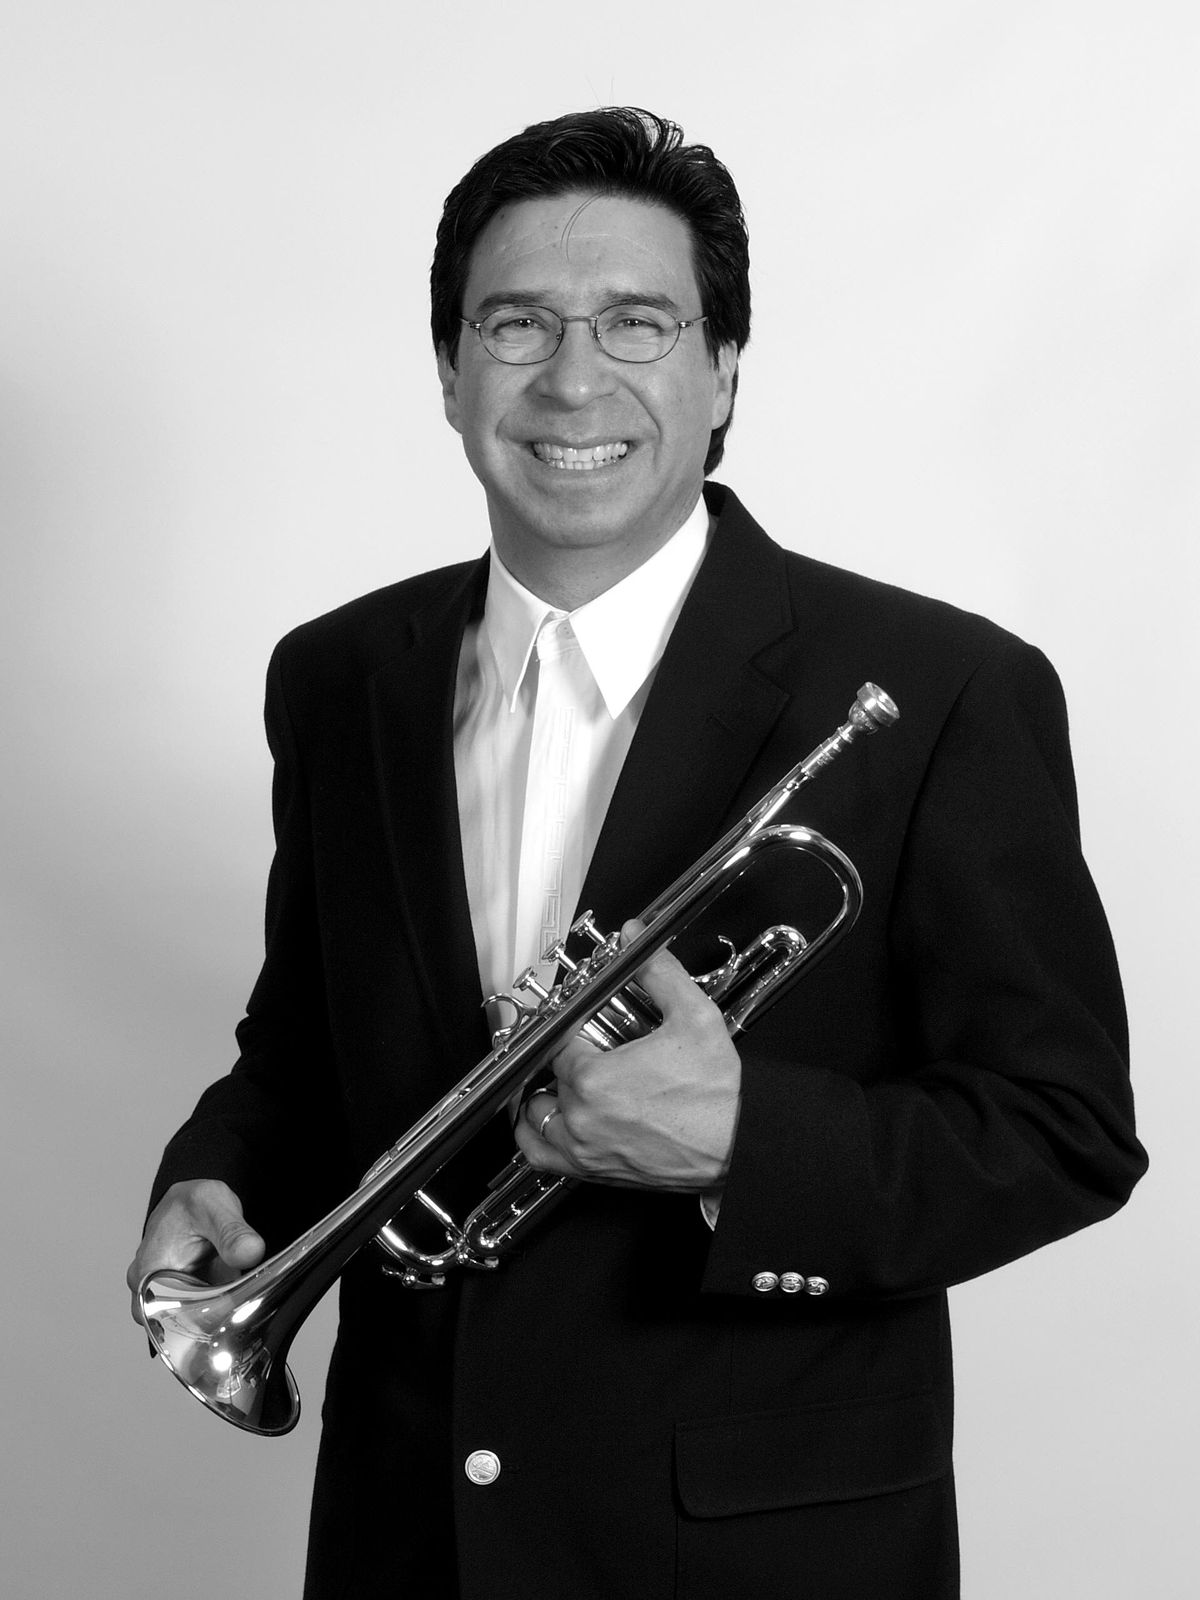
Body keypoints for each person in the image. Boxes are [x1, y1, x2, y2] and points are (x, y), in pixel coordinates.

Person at [127, 108, 1146, 1600]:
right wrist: (222, 1177)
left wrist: (747, 1144)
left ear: (722, 369)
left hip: (762, 1554)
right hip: (411, 1538)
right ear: (450, 370)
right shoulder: (342, 678)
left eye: (637, 323)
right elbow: (302, 1051)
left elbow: (1065, 1132)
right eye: (517, 324)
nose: (573, 378)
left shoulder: (943, 689)